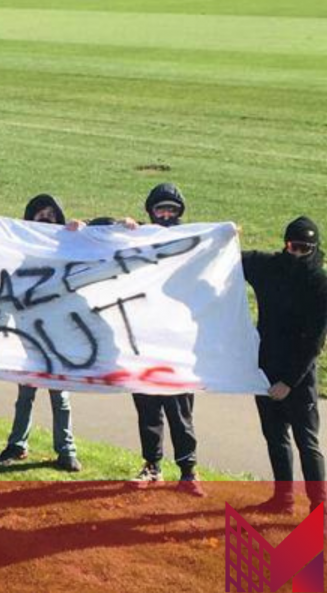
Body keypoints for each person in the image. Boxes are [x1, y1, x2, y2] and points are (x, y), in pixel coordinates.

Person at [242, 216, 327, 514]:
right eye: (293, 246)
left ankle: (320, 507)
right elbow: (229, 259)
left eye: (305, 248)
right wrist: (225, 235)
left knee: (307, 441)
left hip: (299, 375)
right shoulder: (268, 268)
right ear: (285, 244)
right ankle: (283, 498)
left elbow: (315, 343)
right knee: (275, 437)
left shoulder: (321, 284)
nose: (298, 253)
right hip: (266, 368)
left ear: (315, 249)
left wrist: (288, 382)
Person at [0, 194, 81, 472]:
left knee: (60, 395)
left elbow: (96, 238)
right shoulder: (23, 248)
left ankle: (66, 450)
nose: (45, 218)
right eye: (39, 213)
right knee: (26, 391)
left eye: (50, 214)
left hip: (58, 331)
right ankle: (17, 444)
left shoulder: (67, 246)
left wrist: (82, 228)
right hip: (29, 330)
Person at [130, 183, 203, 496]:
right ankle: (152, 465)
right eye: (161, 209)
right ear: (151, 211)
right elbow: (101, 235)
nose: (166, 215)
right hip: (142, 340)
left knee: (179, 410)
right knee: (147, 408)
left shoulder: (193, 242)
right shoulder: (136, 238)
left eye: (172, 210)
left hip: (178, 343)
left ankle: (188, 470)